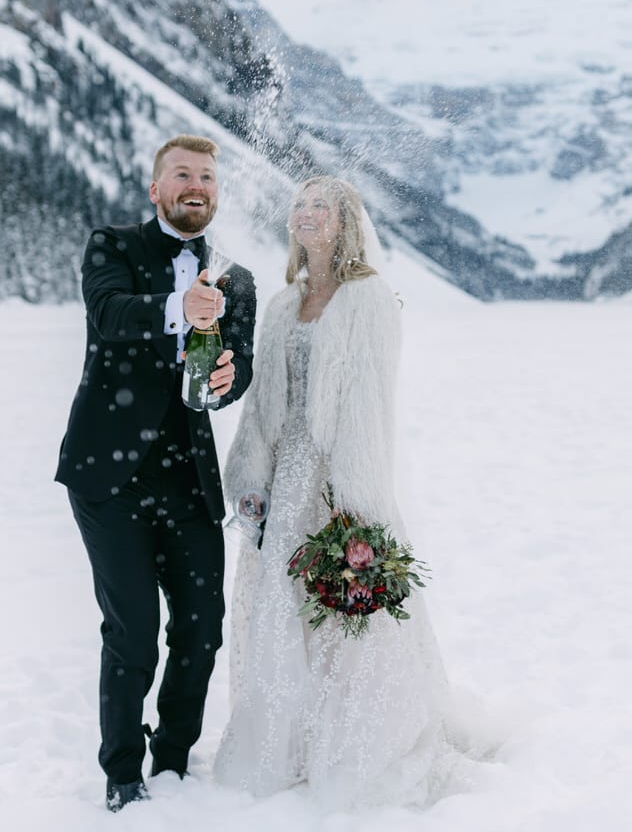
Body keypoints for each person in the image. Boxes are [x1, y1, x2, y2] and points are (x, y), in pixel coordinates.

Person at [213, 176, 470, 807]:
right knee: (280, 600)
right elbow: (264, 404)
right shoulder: (283, 303)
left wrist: (357, 501)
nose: (305, 214)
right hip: (287, 471)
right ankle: (287, 740)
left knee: (344, 609)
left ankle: (355, 739)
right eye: (299, 205)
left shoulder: (371, 300)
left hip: (340, 475)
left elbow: (370, 404)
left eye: (319, 206)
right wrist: (250, 473)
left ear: (344, 222)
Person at [55, 134, 256, 812]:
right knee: (133, 630)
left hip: (188, 477)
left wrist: (228, 378)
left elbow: (239, 368)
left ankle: (172, 755)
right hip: (107, 475)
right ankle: (122, 771)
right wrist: (178, 310)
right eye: (181, 174)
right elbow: (110, 316)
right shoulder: (111, 246)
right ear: (155, 188)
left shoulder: (237, 278)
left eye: (206, 175)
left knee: (201, 626)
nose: (195, 184)